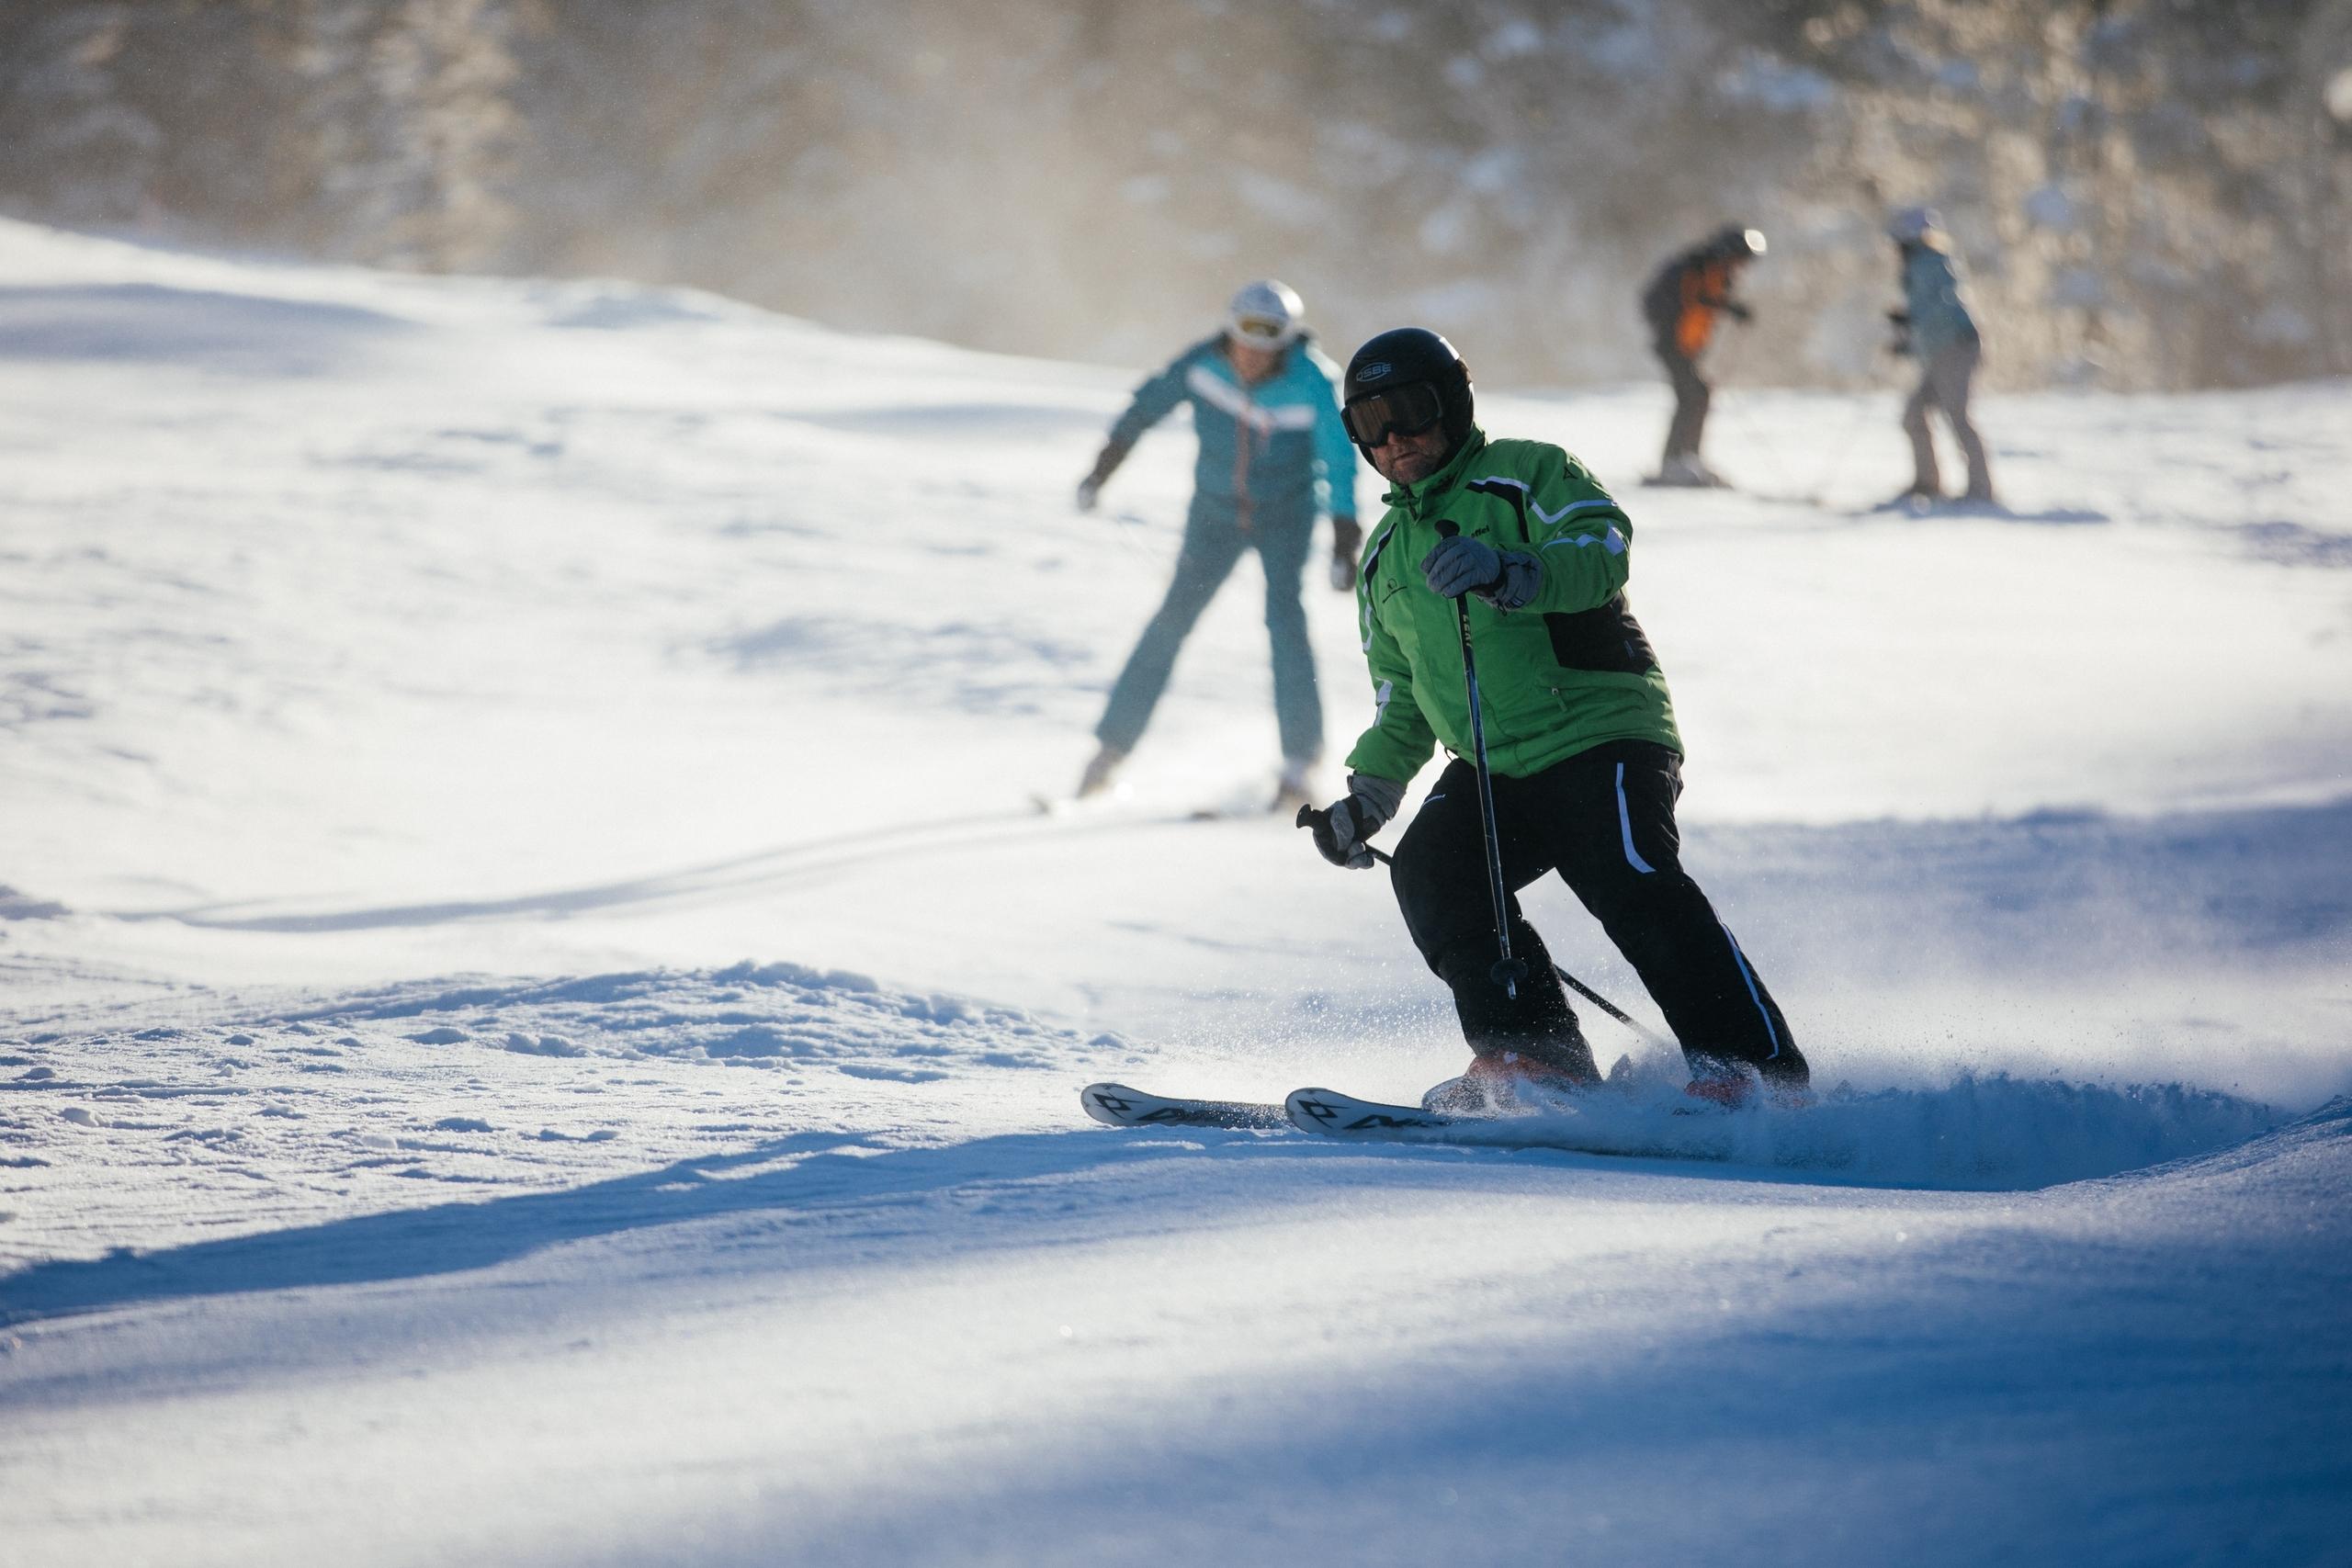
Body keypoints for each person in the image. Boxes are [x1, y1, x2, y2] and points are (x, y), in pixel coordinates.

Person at [1305, 326, 1806, 1112]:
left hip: (1599, 731)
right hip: (1496, 764)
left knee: (1626, 874)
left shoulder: (1526, 472)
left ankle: (1753, 1072)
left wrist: (1513, 569)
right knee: (1433, 869)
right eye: (1370, 423)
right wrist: (1368, 795)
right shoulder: (1384, 556)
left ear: (1454, 405)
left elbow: (1602, 548)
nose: (1394, 437)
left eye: (1410, 411)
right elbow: (1401, 692)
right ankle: (1536, 1056)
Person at [1072, 279, 1361, 807]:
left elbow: (1339, 459)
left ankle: (1300, 766)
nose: (1254, 352)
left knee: (1285, 624)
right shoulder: (1202, 364)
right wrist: (1101, 470)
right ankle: (1108, 755)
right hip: (1215, 517)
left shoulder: (1312, 381)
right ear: (1230, 330)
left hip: (1286, 517)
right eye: (1245, 335)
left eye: (1269, 339)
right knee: (1172, 619)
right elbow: (1145, 406)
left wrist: (1345, 536)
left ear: (1286, 340)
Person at [1639, 225, 1765, 487]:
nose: (1741, 266)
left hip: (1688, 347)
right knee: (1693, 395)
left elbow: (1707, 300)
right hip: (1673, 346)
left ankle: (1686, 459)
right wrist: (1671, 330)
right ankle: (1675, 463)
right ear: (1728, 252)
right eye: (1740, 259)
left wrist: (1732, 309)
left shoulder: (1717, 273)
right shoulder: (1694, 268)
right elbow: (1672, 300)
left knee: (1698, 394)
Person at [1887, 206, 1994, 504]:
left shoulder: (1933, 262)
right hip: (1938, 352)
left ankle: (1981, 489)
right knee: (1913, 414)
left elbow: (1943, 308)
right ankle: (1927, 483)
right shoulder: (1915, 267)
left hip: (1957, 347)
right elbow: (1927, 316)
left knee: (1957, 415)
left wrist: (1911, 320)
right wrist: (1907, 338)